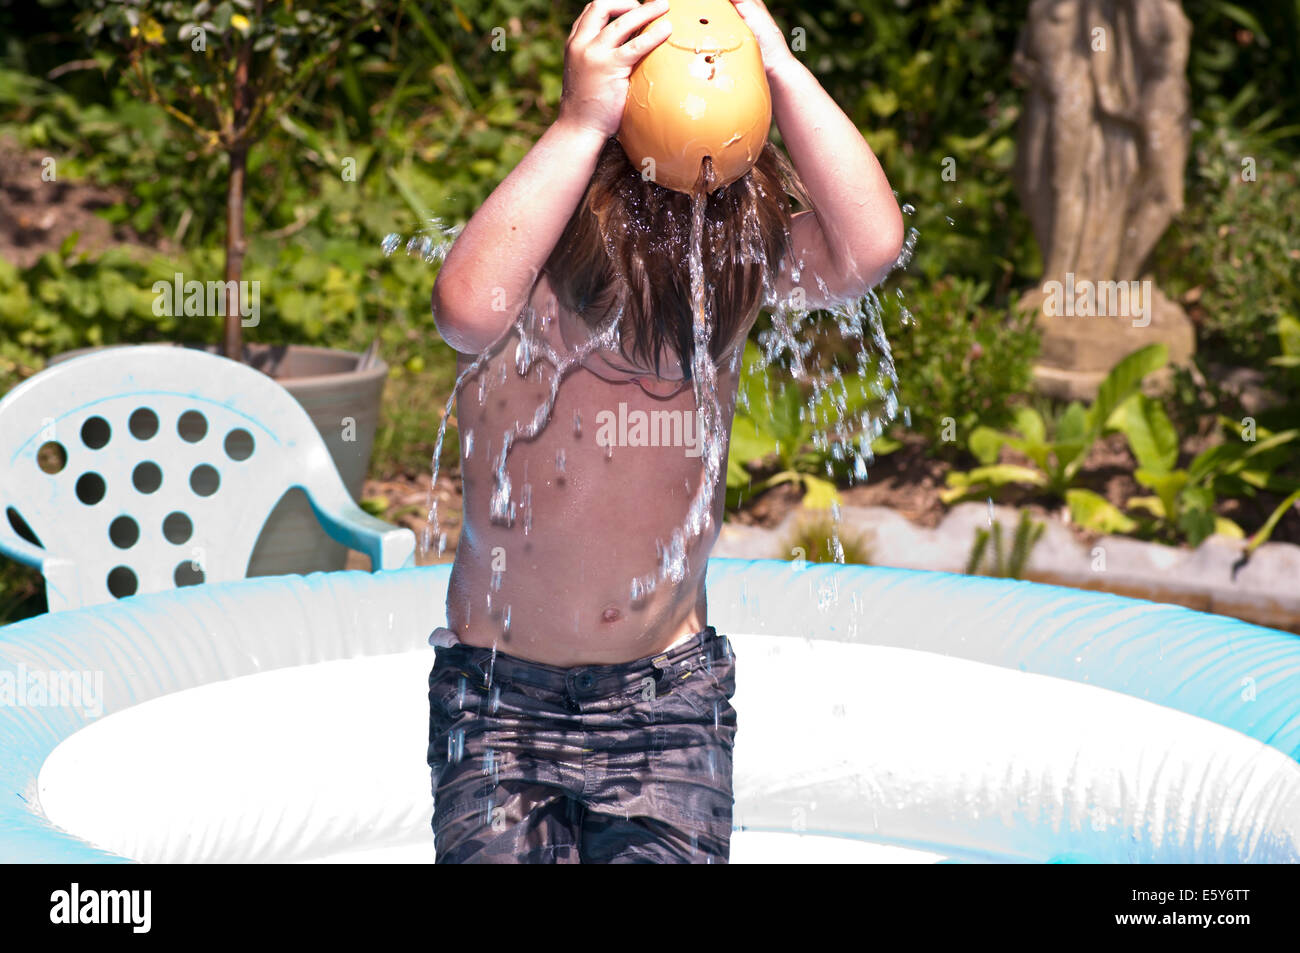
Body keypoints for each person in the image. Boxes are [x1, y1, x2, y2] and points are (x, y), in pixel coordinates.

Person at [426, 0, 902, 863]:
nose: (651, 354)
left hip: (667, 697)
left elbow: (868, 249)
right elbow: (462, 310)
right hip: (499, 699)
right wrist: (580, 122)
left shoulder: (723, 272)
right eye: (615, 318)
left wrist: (780, 68)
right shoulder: (529, 281)